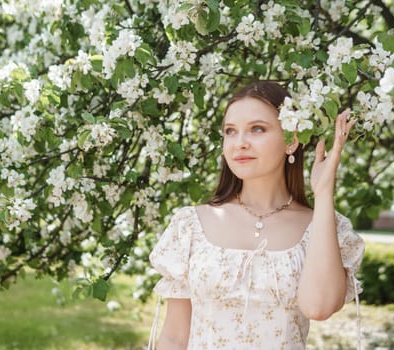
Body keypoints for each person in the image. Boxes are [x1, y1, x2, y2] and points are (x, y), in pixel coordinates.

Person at [148, 81, 365, 350]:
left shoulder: (324, 227)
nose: (240, 143)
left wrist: (323, 194)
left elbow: (318, 307)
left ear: (291, 141)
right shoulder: (190, 226)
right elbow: (174, 338)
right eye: (230, 131)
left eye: (257, 129)